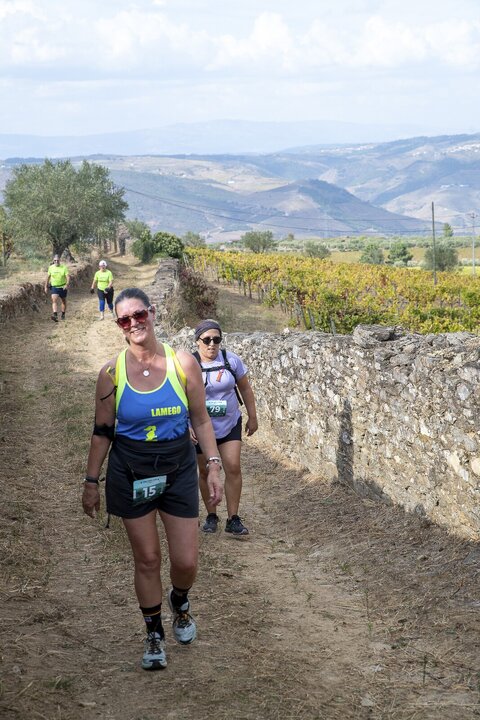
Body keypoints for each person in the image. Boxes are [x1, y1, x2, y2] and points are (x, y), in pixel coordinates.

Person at [82, 288, 223, 671]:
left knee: (186, 561)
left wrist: (213, 464)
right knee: (147, 559)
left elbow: (201, 419)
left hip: (177, 470)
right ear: (119, 325)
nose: (133, 324)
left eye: (139, 315)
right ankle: (154, 632)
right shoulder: (111, 374)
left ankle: (180, 600)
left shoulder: (183, 364)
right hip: (131, 472)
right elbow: (102, 432)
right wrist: (91, 481)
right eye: (124, 319)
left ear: (152, 312)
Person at [191, 319, 258, 537]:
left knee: (233, 467)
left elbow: (245, 389)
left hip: (229, 423)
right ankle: (211, 516)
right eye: (207, 340)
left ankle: (233, 518)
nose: (212, 344)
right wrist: (186, 423)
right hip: (200, 428)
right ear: (197, 341)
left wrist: (253, 416)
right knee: (205, 471)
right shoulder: (190, 364)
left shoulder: (231, 360)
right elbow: (180, 395)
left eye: (216, 339)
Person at [45, 254, 69, 321]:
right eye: (55, 260)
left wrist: (67, 284)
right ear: (53, 261)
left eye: (57, 260)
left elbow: (68, 277)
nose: (56, 261)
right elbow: (48, 277)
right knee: (54, 300)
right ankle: (55, 315)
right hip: (54, 287)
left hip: (63, 287)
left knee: (63, 301)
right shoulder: (51, 268)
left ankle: (63, 314)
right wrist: (45, 286)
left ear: (59, 260)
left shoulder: (64, 267)